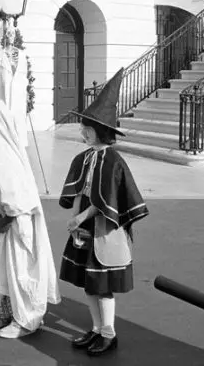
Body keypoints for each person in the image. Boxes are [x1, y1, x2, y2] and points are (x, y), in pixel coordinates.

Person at [58, 69, 149, 357]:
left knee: (103, 285)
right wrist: (75, 220)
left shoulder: (113, 160)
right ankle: (96, 329)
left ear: (101, 130)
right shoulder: (84, 157)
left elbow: (105, 200)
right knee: (88, 284)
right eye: (83, 127)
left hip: (104, 229)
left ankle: (109, 333)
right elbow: (79, 192)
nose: (83, 131)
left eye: (87, 127)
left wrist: (80, 218)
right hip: (84, 229)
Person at [0, 77, 60, 339]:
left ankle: (27, 318)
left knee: (22, 268)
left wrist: (9, 211)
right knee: (1, 265)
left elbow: (13, 184)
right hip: (2, 213)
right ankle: (5, 310)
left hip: (18, 214)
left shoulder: (1, 143)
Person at [0, 24, 29, 148]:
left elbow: (24, 76)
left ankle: (19, 145)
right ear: (5, 36)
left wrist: (25, 93)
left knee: (18, 119)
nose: (11, 36)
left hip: (18, 94)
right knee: (4, 119)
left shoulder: (21, 55)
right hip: (3, 94)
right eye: (9, 33)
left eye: (13, 33)